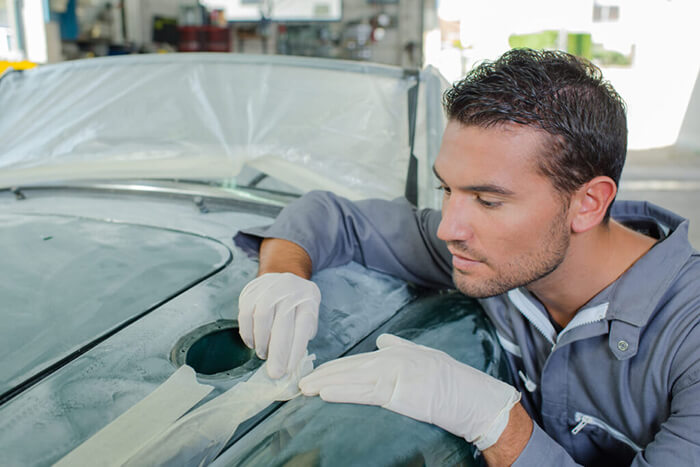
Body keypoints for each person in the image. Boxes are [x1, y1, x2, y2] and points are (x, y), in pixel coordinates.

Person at [234, 48, 700, 465]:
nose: (447, 229)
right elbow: (332, 216)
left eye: (488, 201)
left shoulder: (689, 339)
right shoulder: (490, 253)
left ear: (588, 203)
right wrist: (282, 276)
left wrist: (498, 424)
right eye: (447, 189)